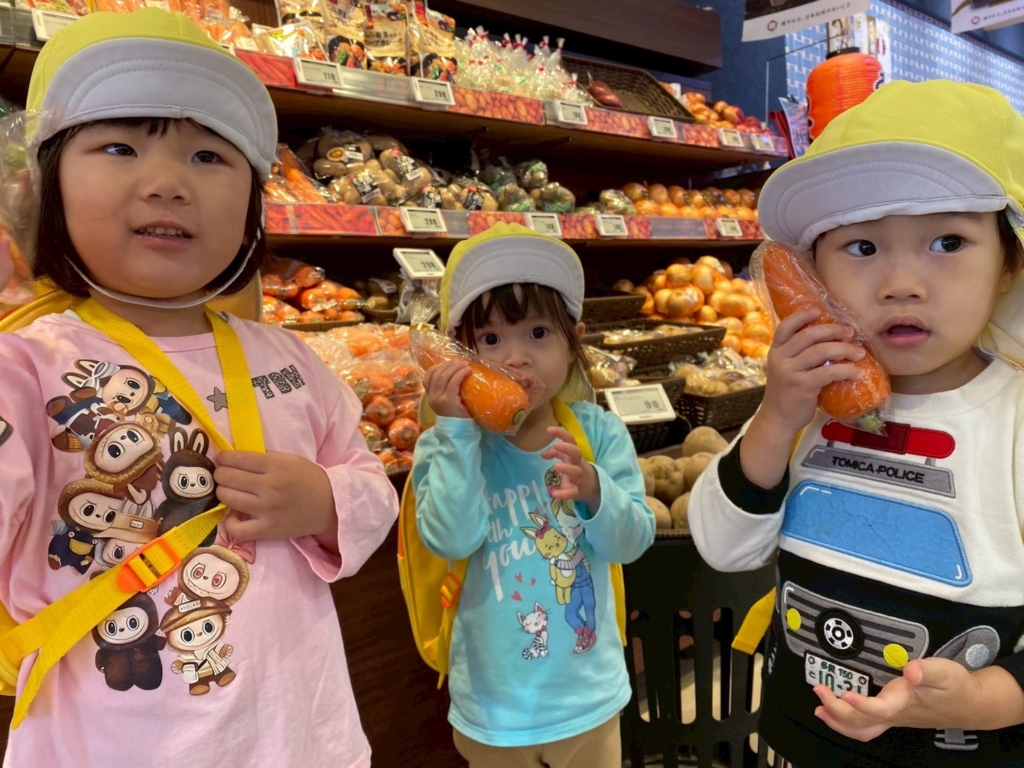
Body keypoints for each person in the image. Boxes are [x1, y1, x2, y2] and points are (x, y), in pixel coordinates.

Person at [0, 9, 398, 766]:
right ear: (42, 186)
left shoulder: (289, 358)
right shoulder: (25, 367)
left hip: (305, 738)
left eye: (210, 156)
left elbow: (371, 483)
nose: (167, 184)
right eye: (119, 147)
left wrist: (325, 501)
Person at [689, 79, 1024, 767]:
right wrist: (777, 416)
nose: (901, 283)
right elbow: (724, 547)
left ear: (1008, 265)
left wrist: (984, 698)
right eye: (862, 248)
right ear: (813, 278)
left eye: (948, 241)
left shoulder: (1014, 419)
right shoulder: (807, 404)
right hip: (798, 737)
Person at [411, 223, 655, 767]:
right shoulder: (446, 446)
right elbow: (451, 539)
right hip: (494, 707)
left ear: (574, 341)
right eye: (490, 340)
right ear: (458, 355)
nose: (516, 358)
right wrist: (455, 432)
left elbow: (633, 542)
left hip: (587, 697)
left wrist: (594, 489)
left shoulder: (598, 434)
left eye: (538, 333)